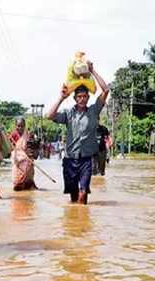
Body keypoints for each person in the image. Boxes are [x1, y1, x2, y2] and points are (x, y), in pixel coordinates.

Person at [46, 61, 109, 204]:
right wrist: (61, 98)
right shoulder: (68, 114)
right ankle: (74, 222)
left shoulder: (93, 111)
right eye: (79, 97)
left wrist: (93, 71)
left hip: (86, 159)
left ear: (88, 97)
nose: (82, 99)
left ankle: (82, 223)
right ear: (75, 98)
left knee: (83, 193)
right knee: (74, 197)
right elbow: (49, 116)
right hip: (70, 160)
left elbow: (105, 90)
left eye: (84, 96)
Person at [10, 117, 38, 191]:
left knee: (28, 184)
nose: (20, 128)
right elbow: (11, 148)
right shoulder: (13, 136)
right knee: (17, 185)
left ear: (25, 126)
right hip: (17, 162)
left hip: (28, 162)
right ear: (15, 126)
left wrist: (29, 154)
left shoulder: (29, 136)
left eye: (22, 126)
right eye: (18, 126)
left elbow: (33, 152)